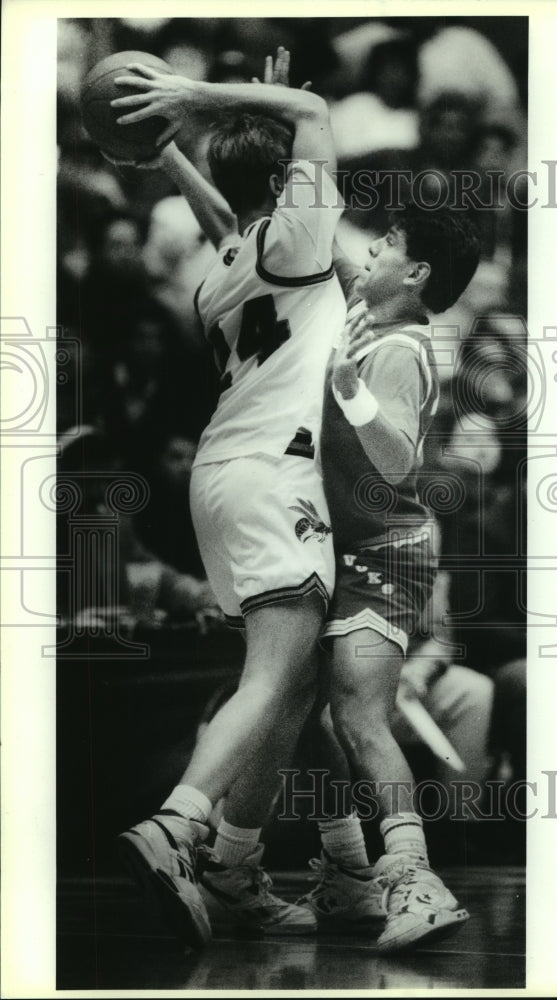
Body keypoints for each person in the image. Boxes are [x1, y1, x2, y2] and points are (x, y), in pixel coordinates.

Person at [110, 49, 346, 947]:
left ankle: (236, 867)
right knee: (276, 676)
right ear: (290, 180)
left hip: (222, 479)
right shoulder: (299, 236)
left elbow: (224, 212)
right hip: (274, 473)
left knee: (299, 682)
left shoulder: (227, 263)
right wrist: (195, 98)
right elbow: (314, 109)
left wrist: (166, 151)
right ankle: (179, 824)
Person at [295, 203, 481, 952]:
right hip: (346, 546)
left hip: (387, 552)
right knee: (307, 717)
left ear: (416, 274)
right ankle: (348, 876)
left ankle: (414, 880)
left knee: (359, 715)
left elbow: (400, 460)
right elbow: (326, 248)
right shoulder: (370, 314)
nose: (369, 250)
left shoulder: (399, 348)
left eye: (388, 244)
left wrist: (346, 389)